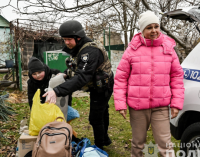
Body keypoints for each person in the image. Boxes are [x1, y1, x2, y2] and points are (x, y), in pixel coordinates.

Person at [114, 11, 184, 157]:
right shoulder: (131, 50)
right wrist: (120, 104)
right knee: (138, 143)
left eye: (156, 26)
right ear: (142, 30)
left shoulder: (168, 49)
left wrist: (176, 103)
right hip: (138, 106)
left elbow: (177, 77)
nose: (153, 31)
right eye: (149, 27)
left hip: (161, 106)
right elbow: (121, 78)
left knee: (165, 144)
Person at [43, 20, 114, 149]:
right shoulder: (79, 47)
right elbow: (77, 66)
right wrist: (65, 74)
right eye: (64, 39)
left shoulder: (91, 51)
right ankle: (105, 139)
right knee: (102, 112)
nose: (66, 42)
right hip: (96, 84)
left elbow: (82, 77)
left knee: (95, 117)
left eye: (69, 39)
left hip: (104, 86)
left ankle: (99, 148)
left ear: (78, 37)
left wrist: (57, 91)